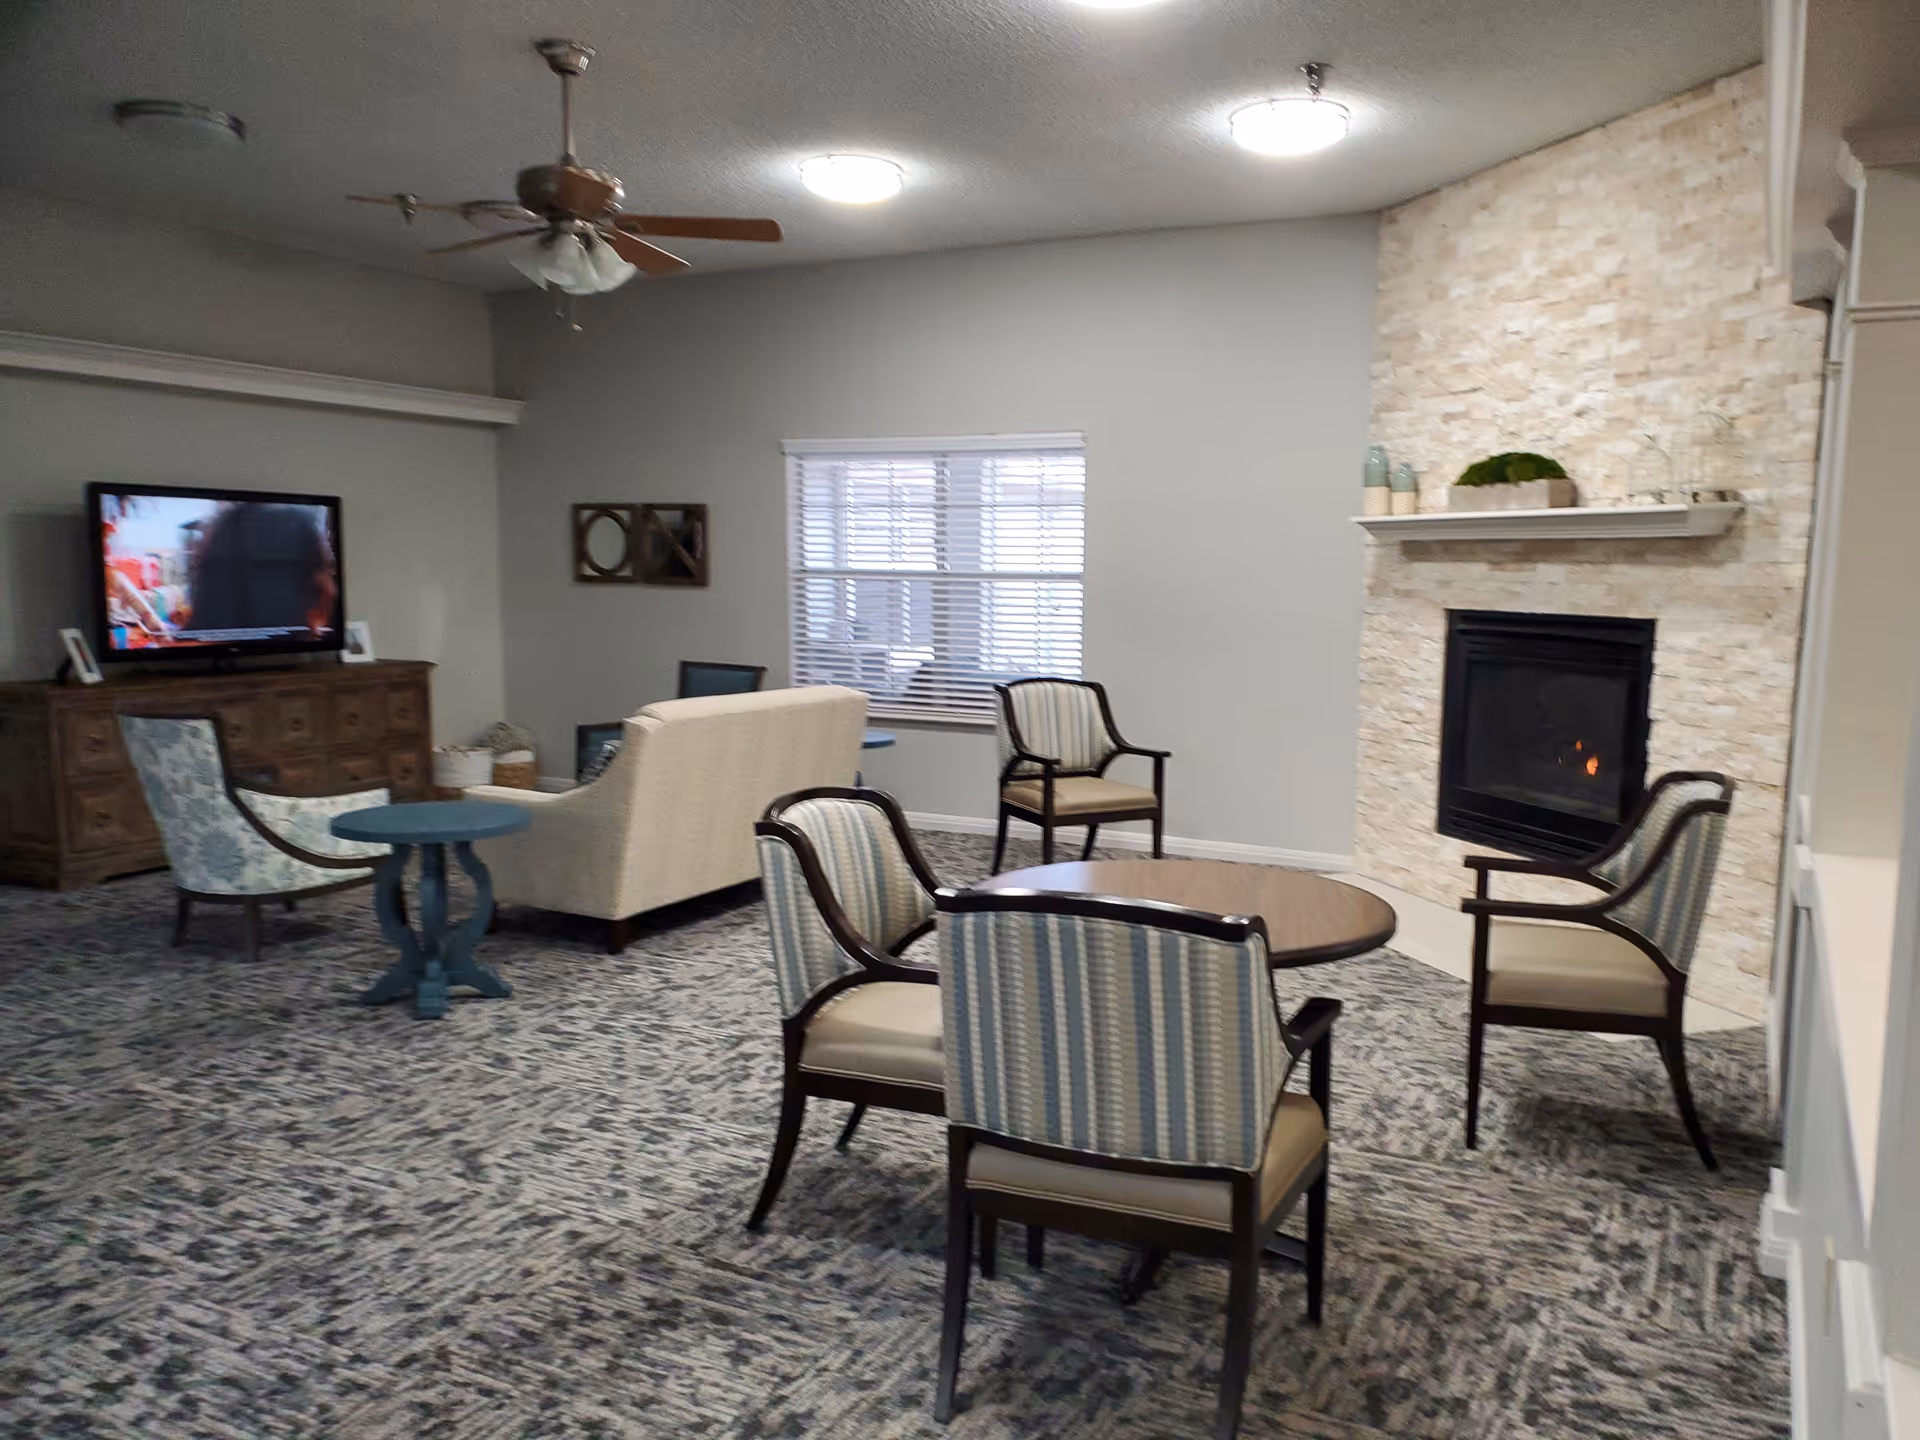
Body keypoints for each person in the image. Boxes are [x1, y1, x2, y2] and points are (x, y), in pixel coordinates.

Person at [187, 503, 338, 639]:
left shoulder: (218, 525)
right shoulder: (300, 519)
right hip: (284, 639)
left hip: (213, 642)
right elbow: (328, 591)